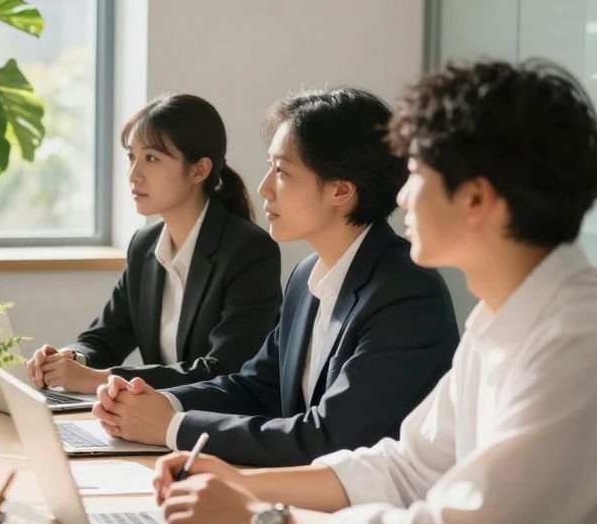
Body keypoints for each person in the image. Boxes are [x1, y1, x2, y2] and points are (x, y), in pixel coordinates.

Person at [152, 59, 597, 524]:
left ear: (477, 198)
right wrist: (240, 486)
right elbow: (407, 466)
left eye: (416, 173)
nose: (399, 194)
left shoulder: (584, 340)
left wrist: (263, 521)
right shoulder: (501, 320)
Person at [94, 87, 459, 466]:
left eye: (282, 171)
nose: (264, 187)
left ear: (340, 190)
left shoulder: (406, 294)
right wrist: (158, 402)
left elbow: (330, 438)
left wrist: (172, 427)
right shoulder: (306, 277)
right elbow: (257, 385)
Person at [26, 93, 280, 394]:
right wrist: (70, 358)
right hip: (152, 417)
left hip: (214, 419)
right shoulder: (144, 245)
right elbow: (107, 336)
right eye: (131, 157)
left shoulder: (249, 251)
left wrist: (98, 378)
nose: (134, 175)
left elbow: (225, 369)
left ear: (199, 170)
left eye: (151, 159)